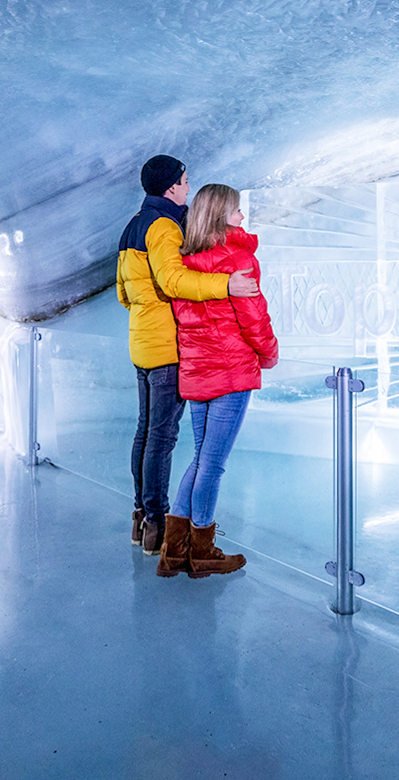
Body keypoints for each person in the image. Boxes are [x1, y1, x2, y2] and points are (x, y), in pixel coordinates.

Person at [117, 156, 259, 556]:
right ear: (170, 188)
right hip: (166, 346)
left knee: (146, 432)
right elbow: (174, 280)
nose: (187, 187)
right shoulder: (163, 228)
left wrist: (146, 314)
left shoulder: (134, 224)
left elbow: (123, 293)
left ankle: (141, 518)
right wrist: (226, 284)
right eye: (183, 182)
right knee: (162, 437)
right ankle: (158, 525)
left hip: (141, 342)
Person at [157, 183, 278, 579]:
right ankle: (202, 552)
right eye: (237, 211)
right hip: (232, 372)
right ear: (222, 214)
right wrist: (270, 354)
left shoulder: (184, 260)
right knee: (213, 465)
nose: (242, 217)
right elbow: (253, 317)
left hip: (197, 374)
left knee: (200, 459)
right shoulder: (238, 256)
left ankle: (173, 552)